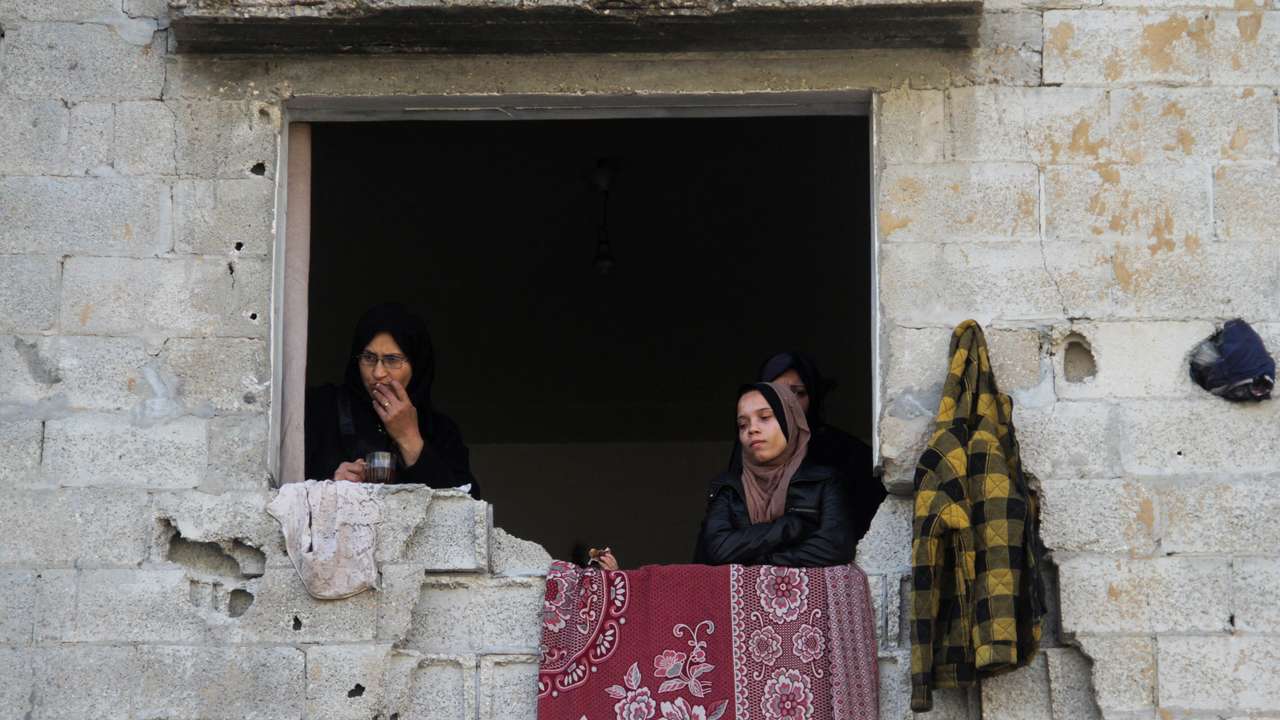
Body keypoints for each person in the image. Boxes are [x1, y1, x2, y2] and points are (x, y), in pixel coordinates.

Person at [304, 303, 480, 496]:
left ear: (417, 366)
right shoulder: (321, 409)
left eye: (392, 360)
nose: (378, 373)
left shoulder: (439, 431)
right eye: (369, 358)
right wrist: (330, 485)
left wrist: (409, 437)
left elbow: (464, 510)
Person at [734, 352, 884, 548]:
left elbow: (839, 542)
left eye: (798, 392)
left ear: (813, 397)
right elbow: (722, 544)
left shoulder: (848, 454)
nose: (788, 400)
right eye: (777, 392)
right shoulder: (748, 453)